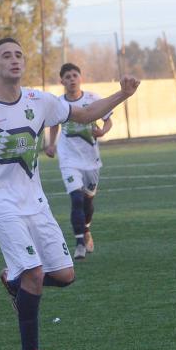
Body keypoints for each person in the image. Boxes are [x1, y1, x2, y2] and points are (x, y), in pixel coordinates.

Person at [0, 37, 139, 350]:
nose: (14, 59)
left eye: (19, 54)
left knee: (64, 276)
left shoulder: (40, 101)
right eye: (6, 56)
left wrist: (123, 94)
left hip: (35, 203)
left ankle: (12, 278)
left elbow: (87, 112)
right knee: (34, 272)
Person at [44, 63, 113, 259]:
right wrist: (51, 145)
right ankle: (79, 243)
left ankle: (87, 228)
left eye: (75, 75)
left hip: (91, 159)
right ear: (62, 81)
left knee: (87, 201)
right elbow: (54, 124)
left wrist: (103, 131)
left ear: (80, 78)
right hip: (68, 158)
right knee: (75, 198)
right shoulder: (58, 103)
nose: (72, 79)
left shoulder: (93, 99)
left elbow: (108, 120)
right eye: (67, 76)